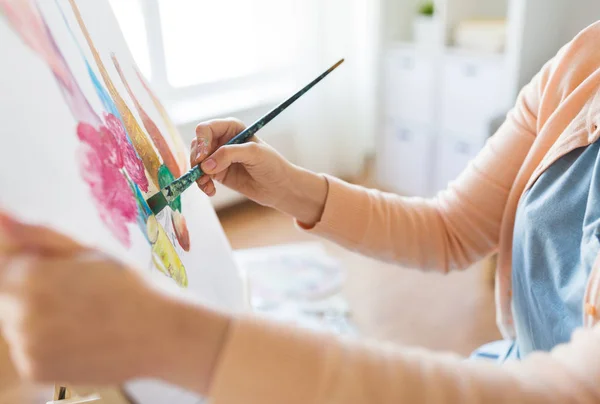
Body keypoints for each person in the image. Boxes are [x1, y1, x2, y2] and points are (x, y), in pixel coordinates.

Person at [2, 21, 600, 404]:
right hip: (506, 366)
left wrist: (169, 337)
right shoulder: (581, 66)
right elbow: (449, 230)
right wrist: (289, 186)